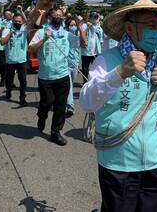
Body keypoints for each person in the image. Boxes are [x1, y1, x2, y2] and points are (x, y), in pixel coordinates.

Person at [80, 0, 157, 212]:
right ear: (130, 27)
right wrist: (119, 73)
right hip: (119, 164)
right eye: (150, 25)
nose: (156, 32)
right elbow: (87, 102)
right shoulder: (106, 60)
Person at [29, 8, 86, 146]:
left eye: (60, 16)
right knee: (47, 102)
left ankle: (55, 132)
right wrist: (44, 39)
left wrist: (79, 25)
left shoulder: (66, 34)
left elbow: (84, 44)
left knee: (61, 106)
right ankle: (41, 116)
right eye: (55, 16)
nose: (58, 18)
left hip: (62, 75)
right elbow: (31, 49)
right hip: (45, 77)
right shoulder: (41, 32)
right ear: (49, 17)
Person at [1, 13, 28, 106]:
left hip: (22, 60)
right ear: (13, 21)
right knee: (9, 79)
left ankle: (22, 97)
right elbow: (2, 42)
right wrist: (9, 34)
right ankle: (8, 90)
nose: (18, 23)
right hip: (10, 59)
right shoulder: (7, 29)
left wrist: (23, 14)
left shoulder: (24, 29)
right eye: (16, 21)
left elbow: (30, 23)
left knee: (23, 80)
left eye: (19, 21)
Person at [64, 16, 87, 118]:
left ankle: (64, 101)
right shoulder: (67, 35)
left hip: (75, 65)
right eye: (71, 25)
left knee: (70, 86)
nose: (73, 27)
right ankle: (70, 107)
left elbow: (84, 43)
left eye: (74, 25)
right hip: (65, 65)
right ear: (67, 27)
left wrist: (80, 28)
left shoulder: (78, 34)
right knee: (68, 86)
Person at [81, 11, 103, 84]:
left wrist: (93, 26)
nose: (94, 19)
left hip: (96, 52)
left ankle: (94, 82)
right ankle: (85, 83)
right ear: (89, 18)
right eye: (92, 17)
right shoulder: (85, 25)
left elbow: (100, 35)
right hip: (86, 52)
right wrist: (88, 27)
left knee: (96, 68)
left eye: (96, 17)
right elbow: (82, 34)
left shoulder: (99, 28)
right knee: (85, 69)